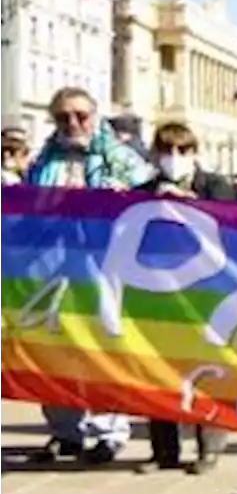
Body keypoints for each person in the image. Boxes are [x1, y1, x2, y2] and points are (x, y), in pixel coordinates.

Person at [24, 87, 151, 465]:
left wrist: (122, 196)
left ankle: (109, 431)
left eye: (80, 115)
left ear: (95, 117)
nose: (73, 123)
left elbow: (147, 204)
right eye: (63, 117)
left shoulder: (121, 161)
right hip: (50, 267)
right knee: (52, 351)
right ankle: (65, 431)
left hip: (101, 268)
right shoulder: (43, 161)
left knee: (101, 349)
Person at [132, 122, 236, 475]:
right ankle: (163, 450)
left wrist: (197, 209)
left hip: (205, 293)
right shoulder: (144, 190)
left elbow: (235, 231)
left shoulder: (216, 187)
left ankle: (209, 446)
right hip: (158, 293)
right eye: (166, 151)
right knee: (158, 371)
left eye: (182, 151)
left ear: (194, 153)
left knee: (207, 370)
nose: (173, 159)